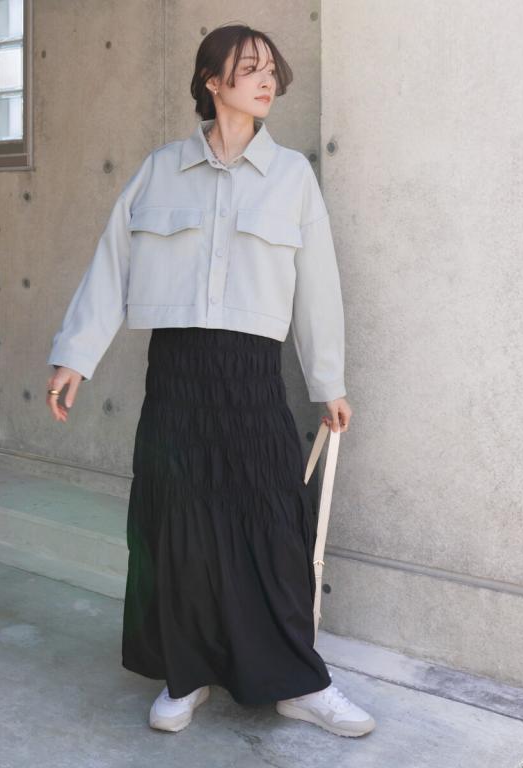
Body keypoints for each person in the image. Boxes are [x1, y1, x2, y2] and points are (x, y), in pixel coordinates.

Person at [46, 23, 374, 738]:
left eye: (271, 70)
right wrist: (75, 355)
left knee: (272, 522)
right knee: (181, 526)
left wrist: (328, 381)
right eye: (249, 68)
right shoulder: (161, 170)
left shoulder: (291, 178)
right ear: (211, 80)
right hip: (178, 372)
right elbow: (112, 265)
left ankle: (298, 683)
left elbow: (318, 288)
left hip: (252, 373)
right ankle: (186, 673)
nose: (267, 80)